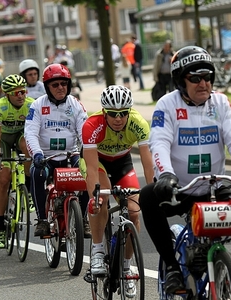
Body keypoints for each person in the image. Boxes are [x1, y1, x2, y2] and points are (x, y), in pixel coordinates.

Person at [139, 45, 231, 295]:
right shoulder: (167, 104)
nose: (204, 83)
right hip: (179, 189)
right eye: (195, 78)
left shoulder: (220, 103)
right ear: (180, 80)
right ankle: (173, 269)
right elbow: (160, 141)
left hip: (214, 187)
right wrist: (165, 174)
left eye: (208, 77)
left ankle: (228, 280)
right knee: (147, 196)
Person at [80, 85, 154, 296]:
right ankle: (97, 250)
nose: (118, 118)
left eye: (123, 113)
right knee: (100, 198)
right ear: (104, 112)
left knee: (134, 211)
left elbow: (148, 165)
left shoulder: (139, 123)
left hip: (122, 163)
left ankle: (126, 266)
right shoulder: (92, 125)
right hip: (98, 163)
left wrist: (151, 193)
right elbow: (92, 168)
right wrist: (95, 195)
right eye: (113, 114)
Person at [24, 63, 91, 238]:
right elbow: (30, 133)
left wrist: (86, 154)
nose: (60, 88)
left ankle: (83, 218)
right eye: (55, 85)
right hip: (46, 158)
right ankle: (42, 221)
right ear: (47, 87)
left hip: (71, 155)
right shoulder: (37, 105)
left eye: (64, 84)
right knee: (37, 173)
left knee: (89, 172)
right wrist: (37, 154)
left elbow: (85, 132)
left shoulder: (76, 105)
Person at [0, 74, 35, 249]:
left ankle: (29, 191)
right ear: (7, 94)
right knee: (3, 180)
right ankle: (1, 228)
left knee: (27, 145)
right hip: (4, 141)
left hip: (20, 138)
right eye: (16, 93)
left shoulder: (31, 105)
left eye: (23, 91)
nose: (21, 95)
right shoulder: (0, 107)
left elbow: (36, 134)